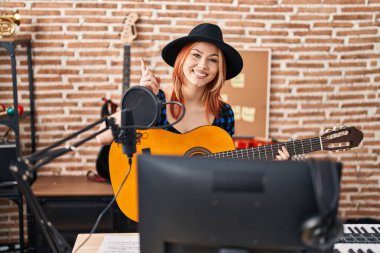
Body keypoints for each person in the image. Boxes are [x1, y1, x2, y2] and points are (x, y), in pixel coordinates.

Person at [97, 23, 290, 160]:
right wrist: (143, 98)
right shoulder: (158, 98)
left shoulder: (224, 114)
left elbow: (224, 165)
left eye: (213, 60)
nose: (203, 65)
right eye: (196, 55)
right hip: (152, 194)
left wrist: (272, 163)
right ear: (182, 59)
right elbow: (102, 137)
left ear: (219, 69)